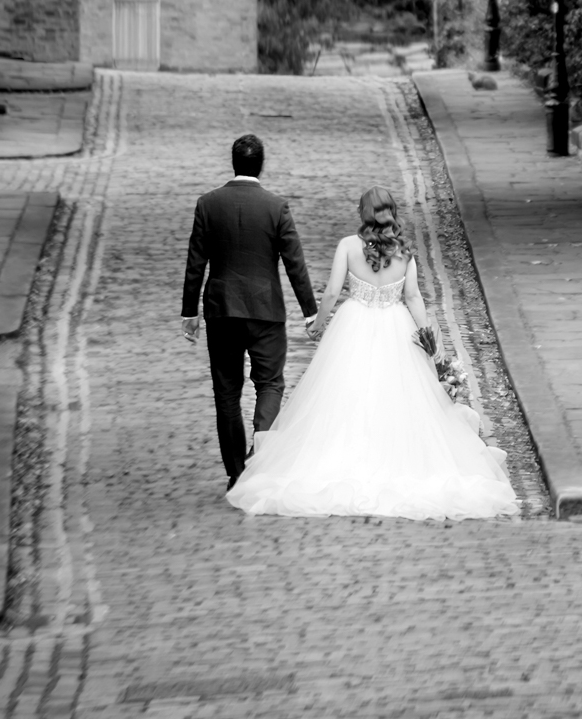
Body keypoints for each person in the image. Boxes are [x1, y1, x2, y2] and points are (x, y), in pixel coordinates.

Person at [227, 186, 519, 519]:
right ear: (392, 213)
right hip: (396, 326)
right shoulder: (405, 252)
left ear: (362, 213)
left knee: (344, 394)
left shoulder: (349, 247)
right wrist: (429, 340)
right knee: (398, 397)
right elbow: (412, 298)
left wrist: (319, 323)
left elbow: (334, 290)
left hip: (353, 325)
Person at [180, 132, 317, 491]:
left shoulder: (208, 204)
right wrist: (310, 311)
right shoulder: (276, 207)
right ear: (261, 164)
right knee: (269, 384)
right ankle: (262, 454)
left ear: (233, 162)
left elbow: (196, 261)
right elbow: (294, 263)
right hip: (265, 310)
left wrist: (189, 311)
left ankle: (237, 474)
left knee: (226, 393)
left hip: (221, 310)